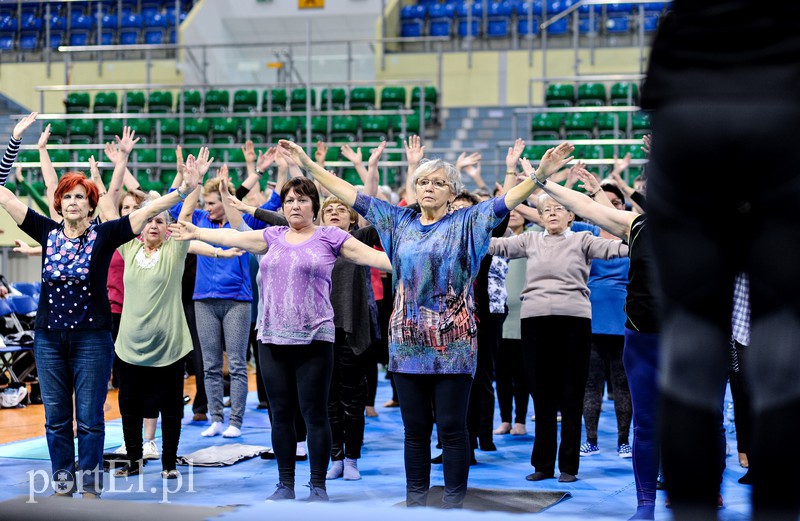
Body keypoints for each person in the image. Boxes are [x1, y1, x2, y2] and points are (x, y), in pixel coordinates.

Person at [275, 138, 575, 508]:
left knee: (451, 428)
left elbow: (507, 202)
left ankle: (453, 501)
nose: (428, 188)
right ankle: (415, 499)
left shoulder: (470, 220)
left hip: (455, 344)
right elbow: (349, 194)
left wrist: (541, 176)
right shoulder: (397, 221)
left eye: (437, 182)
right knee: (414, 431)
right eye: (422, 182)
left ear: (452, 193)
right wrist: (307, 164)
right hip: (406, 342)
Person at [641, 4, 800, 520]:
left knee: (691, 347)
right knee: (781, 341)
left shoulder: (685, 11)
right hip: (782, 129)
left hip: (690, 134)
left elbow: (655, 87)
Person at [0, 117, 203, 498]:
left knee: (91, 419)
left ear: (92, 203)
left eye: (81, 195)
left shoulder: (105, 234)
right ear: (58, 202)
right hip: (48, 339)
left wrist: (181, 189)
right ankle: (63, 481)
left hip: (93, 338)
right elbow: (3, 193)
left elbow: (146, 211)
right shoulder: (46, 231)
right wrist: (14, 141)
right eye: (68, 195)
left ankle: (90, 485)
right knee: (57, 418)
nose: (73, 201)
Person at [169, 176, 392, 503]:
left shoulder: (329, 236)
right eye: (289, 201)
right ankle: (285, 483)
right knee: (282, 414)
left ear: (314, 205)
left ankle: (318, 485)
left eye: (302, 200)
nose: (295, 206)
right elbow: (236, 236)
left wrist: (419, 259)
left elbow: (374, 258)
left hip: (315, 339)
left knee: (315, 413)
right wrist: (198, 232)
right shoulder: (272, 236)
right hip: (271, 339)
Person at [526, 159, 659, 519]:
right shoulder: (639, 225)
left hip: (692, 339)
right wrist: (543, 181)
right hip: (643, 338)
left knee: (692, 420)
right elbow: (585, 206)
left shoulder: (707, 228)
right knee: (645, 424)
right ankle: (645, 504)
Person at [487, 170, 628, 484]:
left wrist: (601, 199)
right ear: (538, 217)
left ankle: (568, 467)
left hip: (574, 322)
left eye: (558, 209)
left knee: (572, 392)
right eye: (546, 210)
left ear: (571, 214)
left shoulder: (584, 239)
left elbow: (621, 244)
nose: (551, 214)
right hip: (534, 323)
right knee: (541, 393)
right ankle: (542, 464)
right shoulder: (529, 239)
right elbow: (493, 246)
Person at [168, 149, 280, 439]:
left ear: (226, 202)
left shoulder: (245, 223)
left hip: (237, 301)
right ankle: (216, 418)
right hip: (203, 299)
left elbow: (274, 203)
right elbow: (182, 211)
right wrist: (194, 181)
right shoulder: (201, 220)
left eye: (215, 202)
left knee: (239, 365)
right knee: (210, 363)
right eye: (207, 203)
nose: (210, 208)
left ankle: (236, 421)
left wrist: (268, 171)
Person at [575, 176, 633, 459]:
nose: (610, 206)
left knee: (623, 384)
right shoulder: (584, 231)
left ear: (623, 206)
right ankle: (591, 439)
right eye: (605, 203)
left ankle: (624, 441)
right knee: (591, 383)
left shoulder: (632, 234)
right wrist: (541, 181)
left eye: (616, 203)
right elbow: (545, 211)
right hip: (592, 317)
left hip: (625, 319)